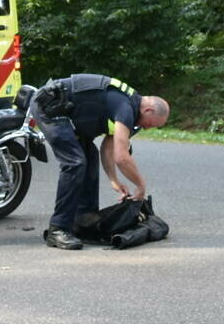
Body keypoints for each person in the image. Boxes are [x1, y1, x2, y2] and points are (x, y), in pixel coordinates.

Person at [20, 75, 171, 250]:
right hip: (50, 105)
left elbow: (108, 149)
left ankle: (83, 219)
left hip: (65, 112)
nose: (146, 128)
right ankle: (58, 229)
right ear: (149, 111)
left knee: (89, 155)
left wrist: (115, 181)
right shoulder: (126, 107)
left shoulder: (130, 108)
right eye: (150, 124)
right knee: (75, 163)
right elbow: (122, 156)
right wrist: (141, 185)